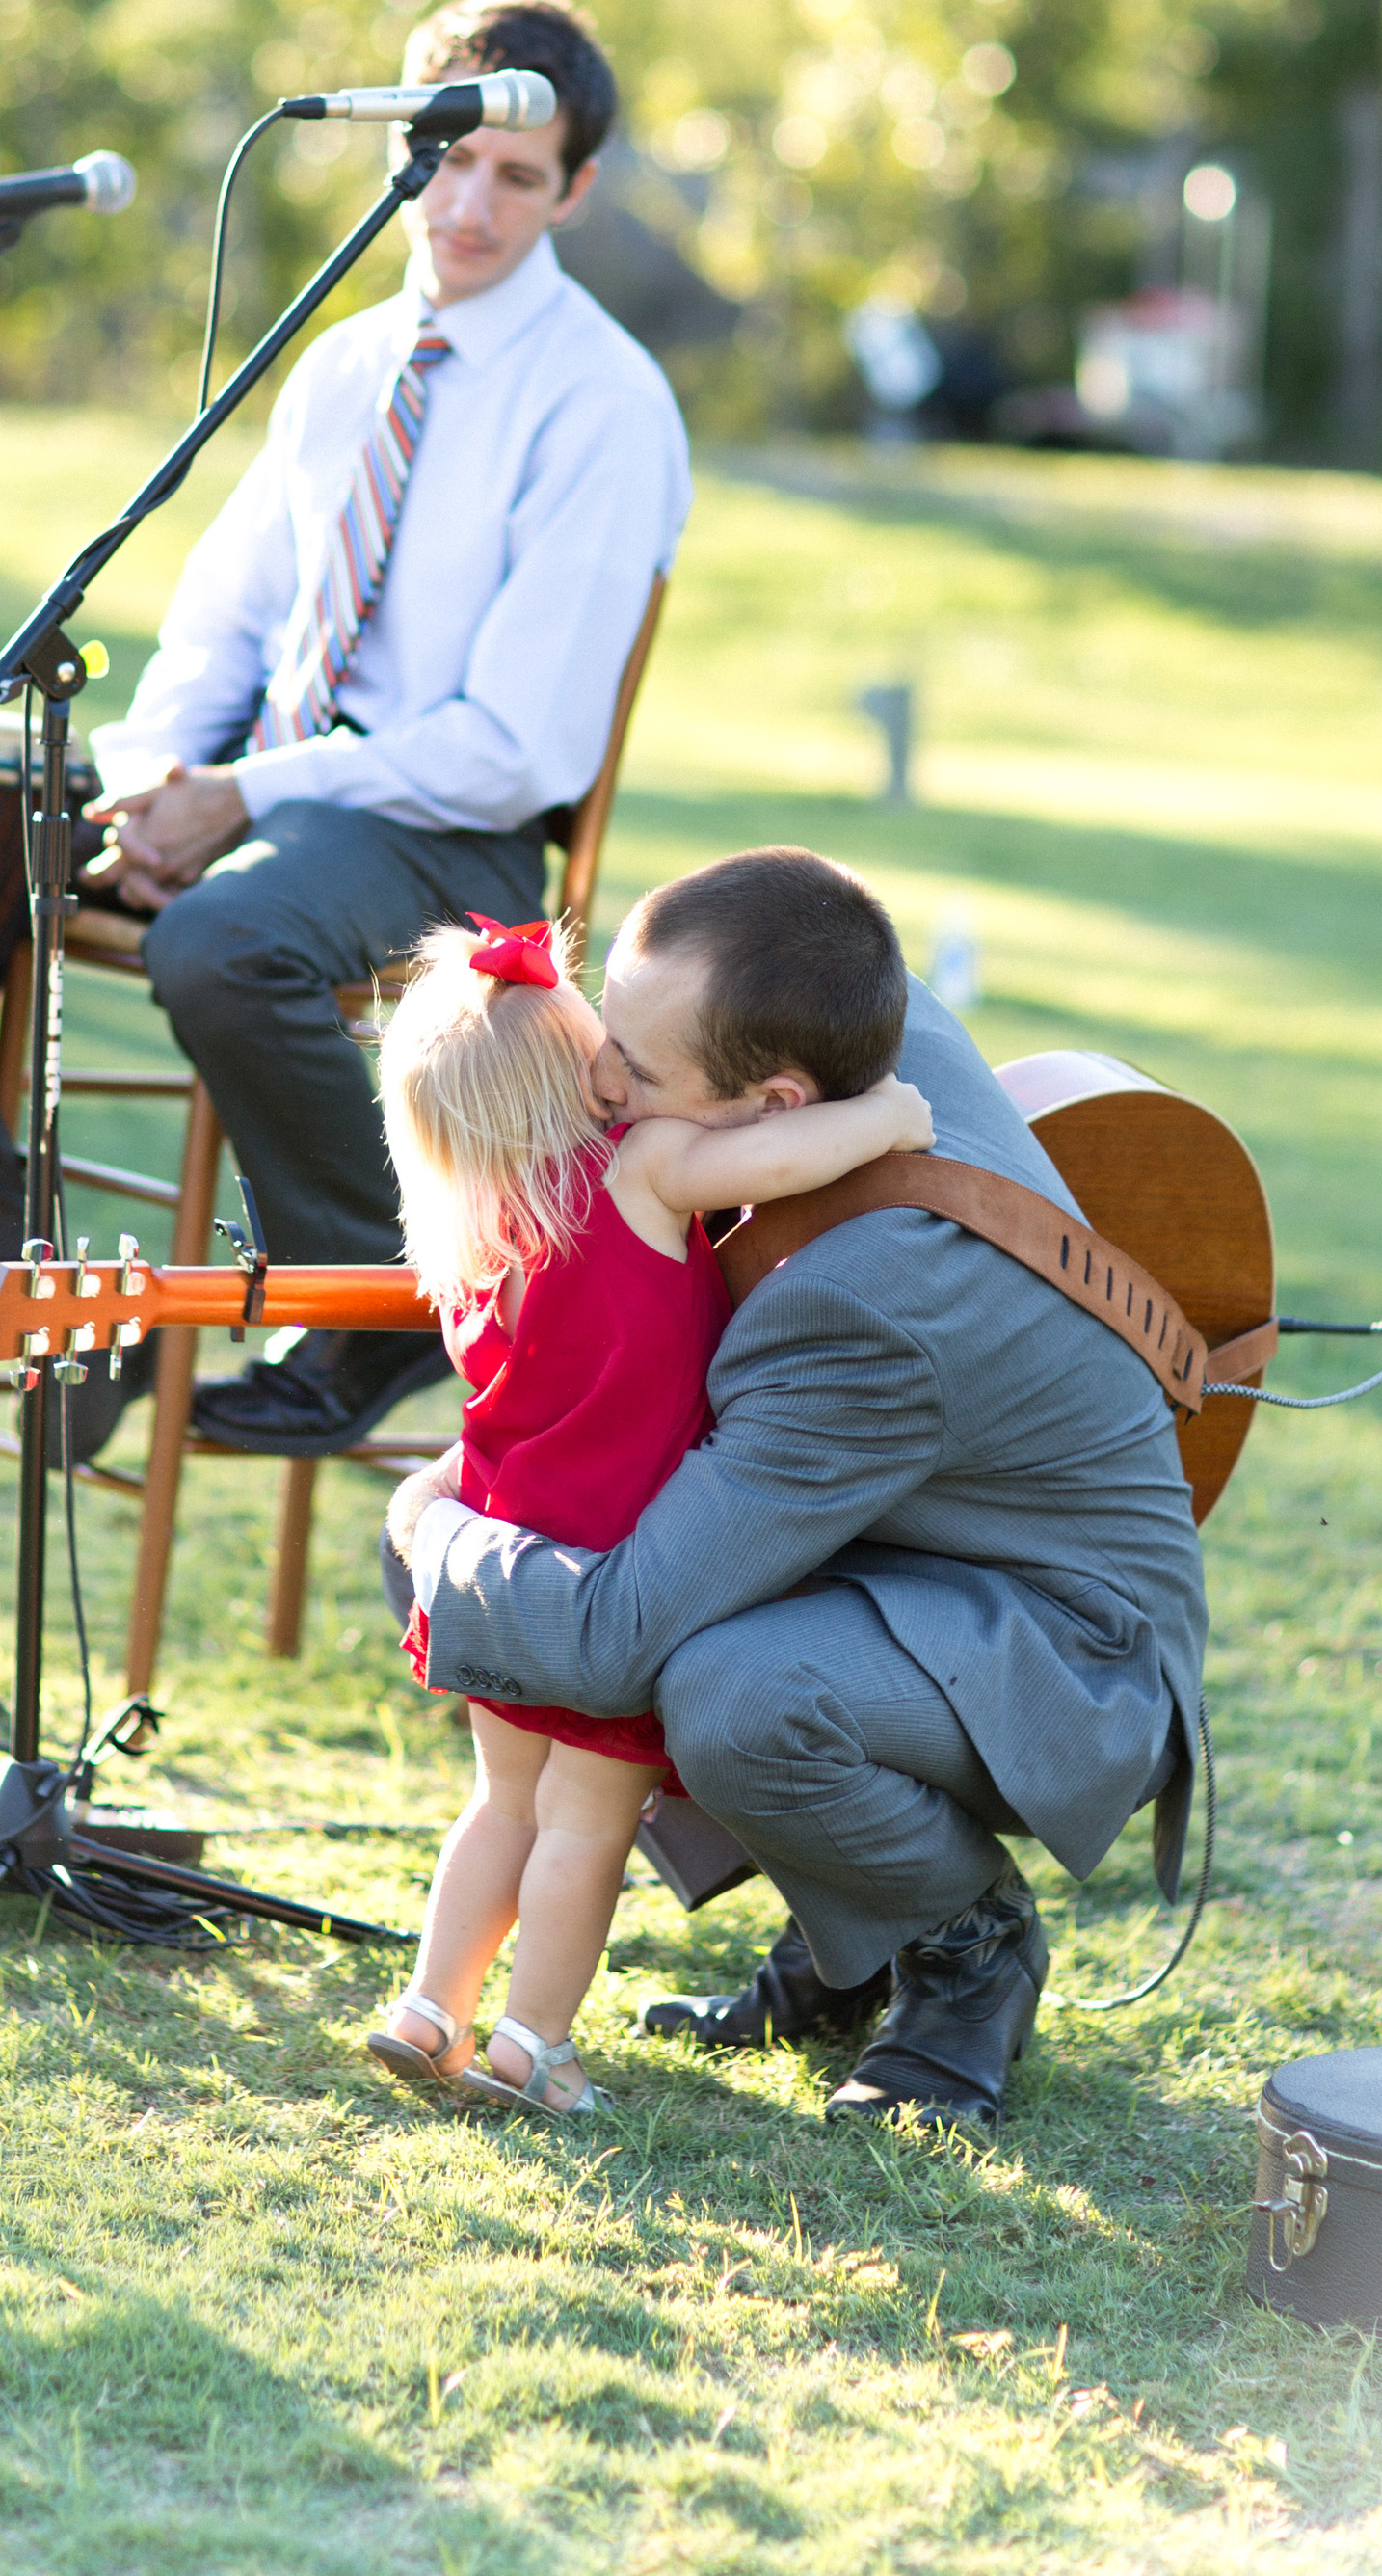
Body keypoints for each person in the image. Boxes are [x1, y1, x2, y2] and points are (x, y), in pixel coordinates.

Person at [391, 847, 1210, 2141]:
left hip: (1057, 1644)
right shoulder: (849, 1013)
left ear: (774, 1103)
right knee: (623, 1574)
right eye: (612, 1031)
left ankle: (964, 1949)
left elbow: (617, 1641)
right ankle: (848, 1932)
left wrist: (428, 1524)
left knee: (721, 1685)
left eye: (637, 1080)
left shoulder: (862, 1314)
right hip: (889, 1547)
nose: (598, 1085)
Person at [78, 0, 692, 1457]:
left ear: (575, 190)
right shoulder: (346, 362)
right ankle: (2, 1267)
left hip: (448, 837)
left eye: (517, 177)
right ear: (401, 146)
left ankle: (385, 1305)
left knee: (224, 938)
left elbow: (519, 746)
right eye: (447, 158)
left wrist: (238, 804)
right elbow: (222, 618)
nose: (469, 204)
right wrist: (157, 778)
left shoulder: (603, 404)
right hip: (265, 808)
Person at [362, 899, 934, 2114]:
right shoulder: (637, 1168)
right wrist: (886, 1111)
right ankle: (532, 2042)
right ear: (575, 1063)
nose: (619, 1066)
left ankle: (428, 2006)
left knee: (499, 1801)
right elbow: (776, 1157)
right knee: (582, 1828)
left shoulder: (476, 1224)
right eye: (601, 1044)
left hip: (504, 1551)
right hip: (616, 1565)